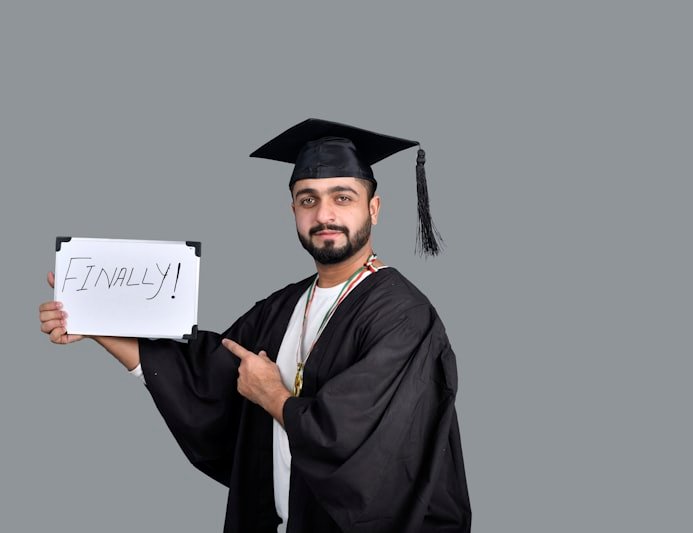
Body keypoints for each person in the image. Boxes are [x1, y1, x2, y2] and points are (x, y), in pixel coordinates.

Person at [39, 118, 471, 532]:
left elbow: (357, 437)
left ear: (373, 209)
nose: (324, 215)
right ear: (293, 210)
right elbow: (203, 376)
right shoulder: (285, 306)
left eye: (343, 197)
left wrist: (273, 396)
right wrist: (95, 323)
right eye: (308, 199)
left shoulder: (402, 316)